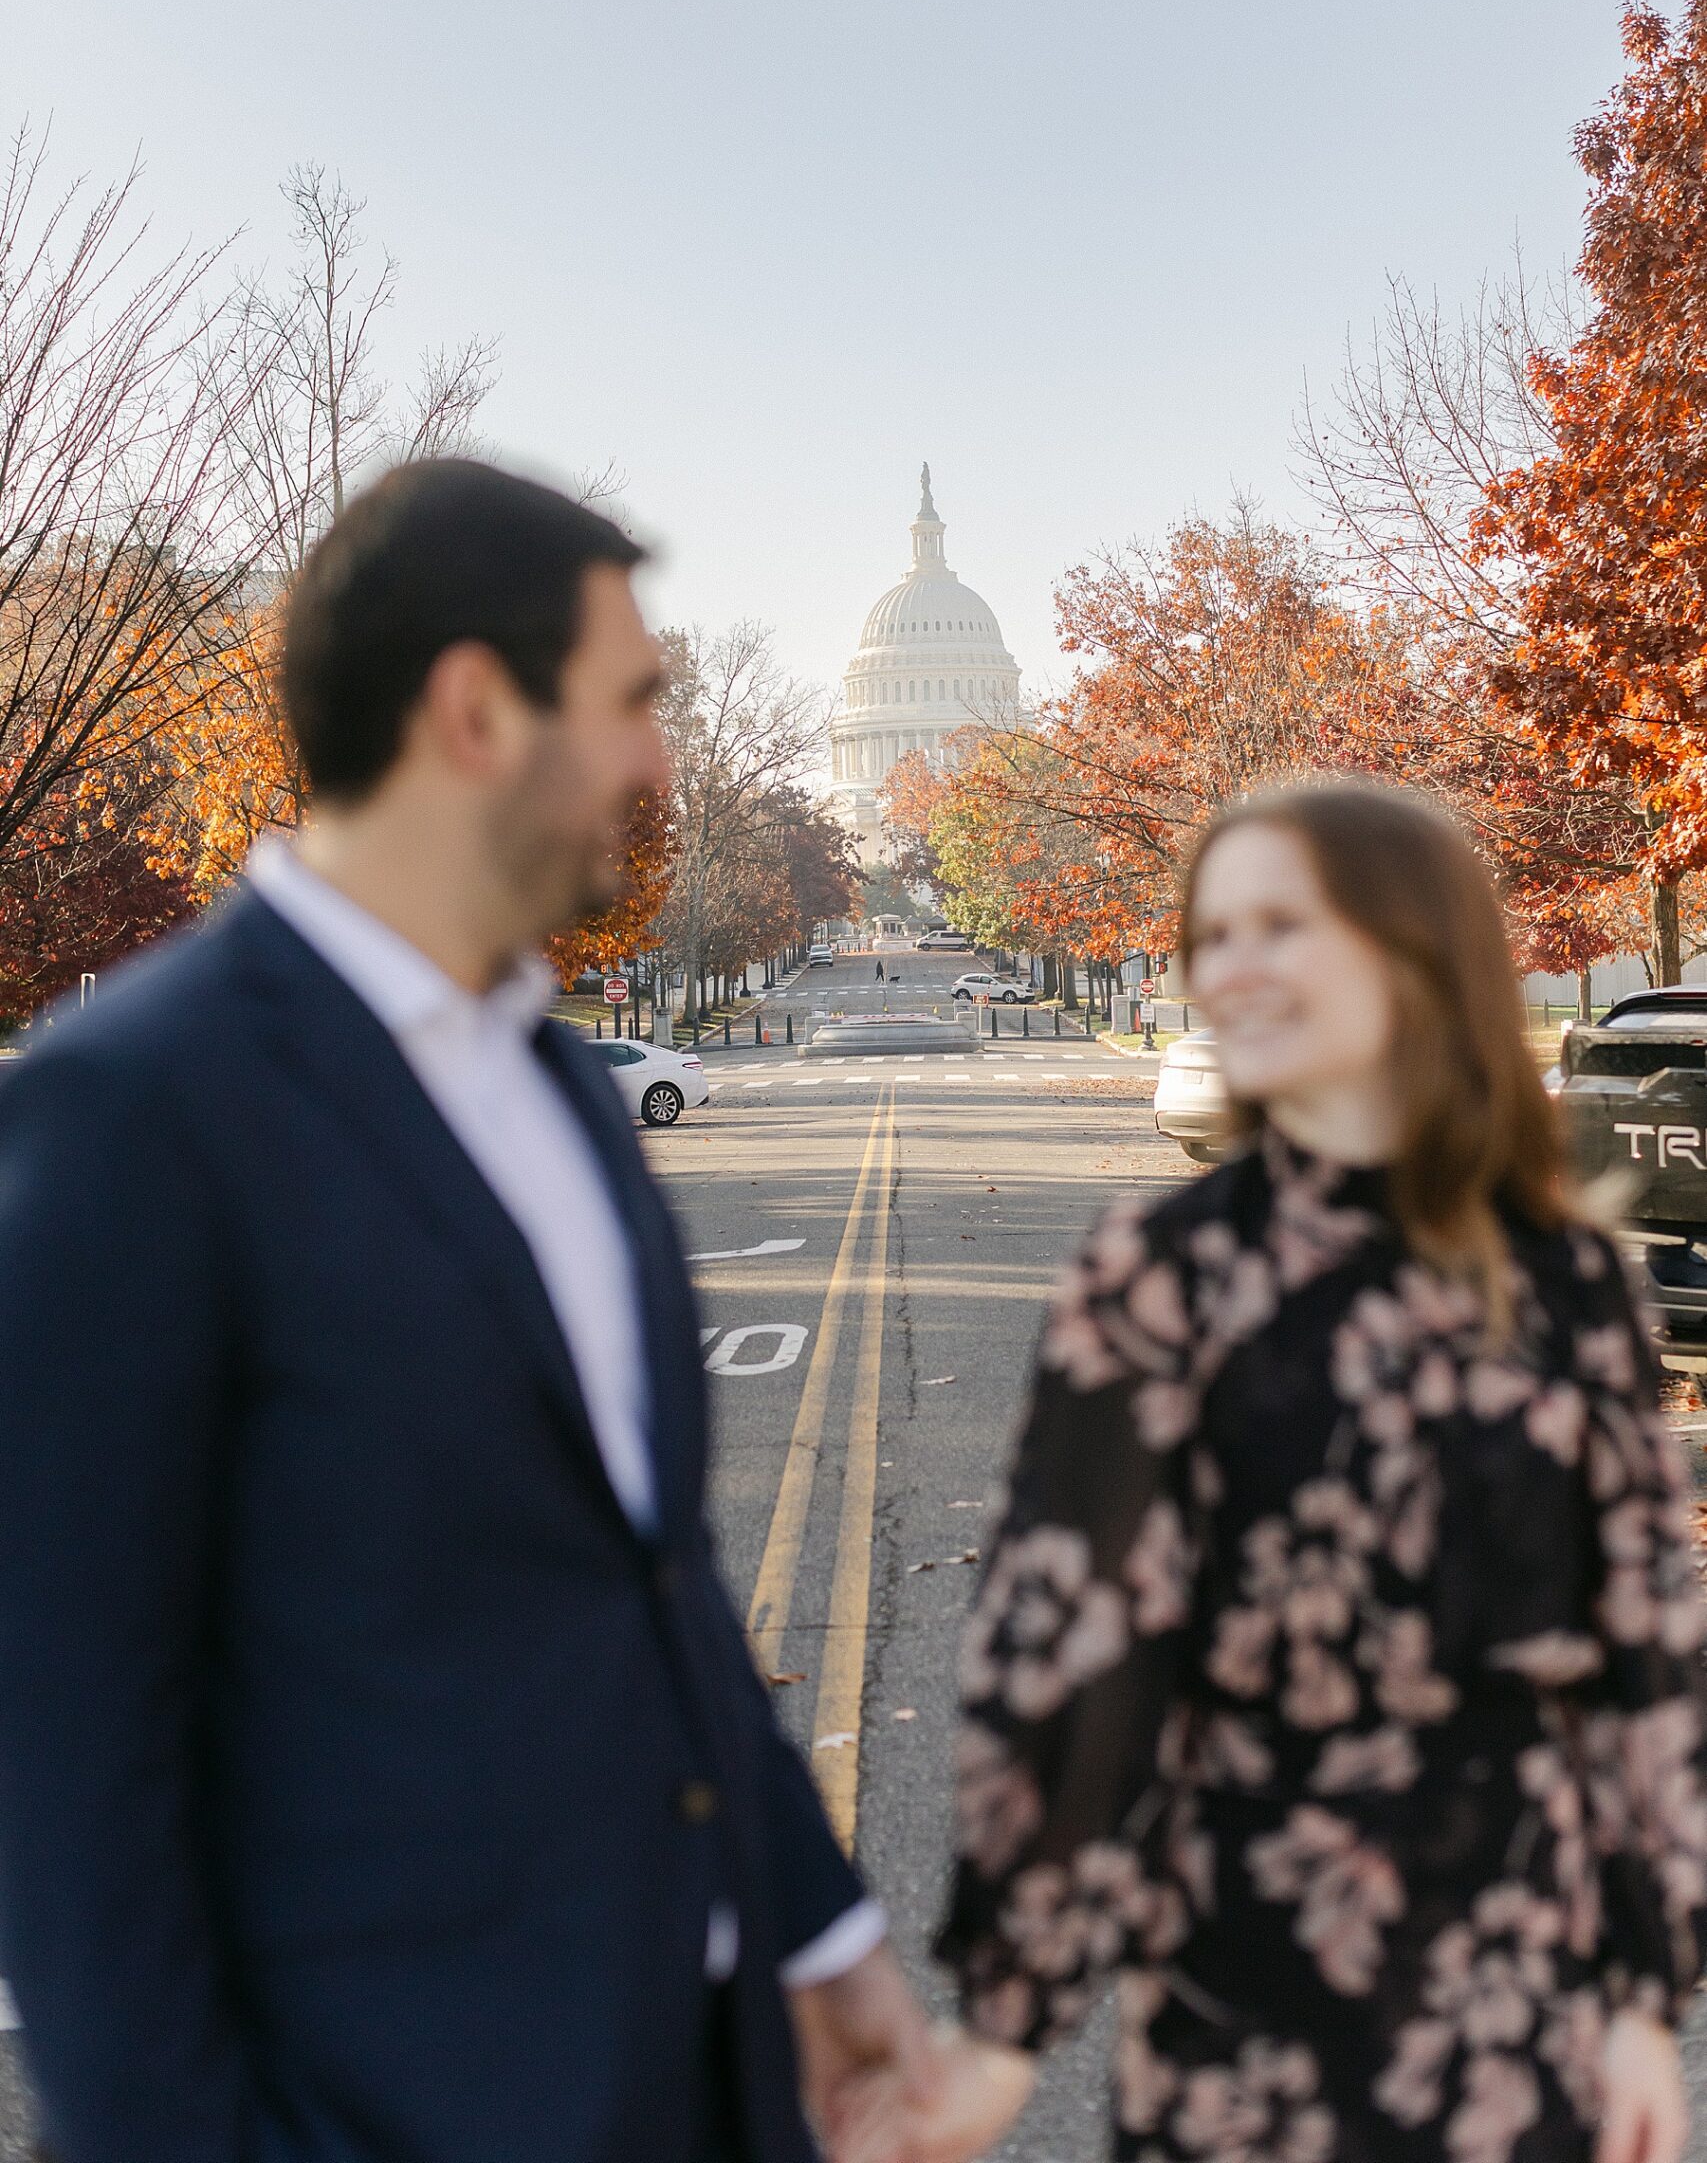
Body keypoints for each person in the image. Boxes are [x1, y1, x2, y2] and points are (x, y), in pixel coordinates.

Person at [0, 461, 941, 2163]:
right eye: (633, 702)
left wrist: (819, 1925)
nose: (663, 762)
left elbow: (649, 1571)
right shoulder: (131, 1113)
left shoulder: (567, 1089)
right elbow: (68, 1759)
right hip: (386, 2106)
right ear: (473, 709)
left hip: (697, 2076)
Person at [924, 782, 1707, 2163]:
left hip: (1521, 2004)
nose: (1231, 968)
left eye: (1281, 924)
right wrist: (1008, 2025)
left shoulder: (1568, 1281)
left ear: (1414, 950)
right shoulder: (1161, 1279)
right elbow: (1072, 1660)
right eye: (1213, 935)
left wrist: (1646, 2004)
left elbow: (1641, 1656)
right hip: (1254, 2012)